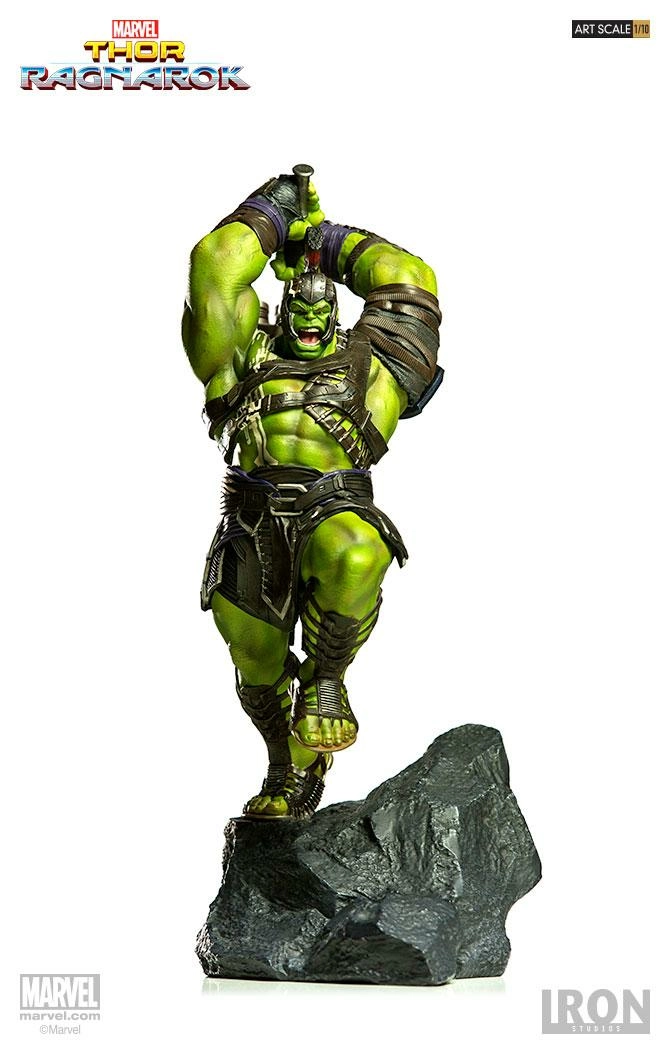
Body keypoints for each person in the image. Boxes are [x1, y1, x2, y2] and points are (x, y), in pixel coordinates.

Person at [182, 169, 442, 819]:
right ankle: (287, 764)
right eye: (296, 309)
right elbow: (215, 263)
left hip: (335, 501)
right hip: (250, 517)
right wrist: (277, 208)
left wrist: (321, 241)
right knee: (254, 657)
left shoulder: (374, 367)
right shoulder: (241, 356)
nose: (308, 320)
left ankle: (326, 680)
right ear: (280, 309)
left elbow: (410, 279)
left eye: (320, 311)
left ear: (337, 312)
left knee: (357, 551)